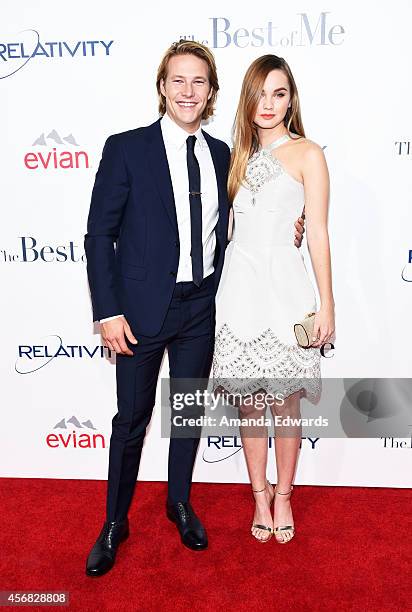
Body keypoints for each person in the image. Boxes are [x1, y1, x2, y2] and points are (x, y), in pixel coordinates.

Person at [84, 41, 305, 576]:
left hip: (203, 307)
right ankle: (115, 523)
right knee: (131, 420)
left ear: (211, 92)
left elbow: (248, 221)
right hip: (137, 313)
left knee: (186, 414)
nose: (188, 91)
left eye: (199, 82)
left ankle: (179, 503)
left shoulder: (227, 156)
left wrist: (289, 228)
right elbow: (98, 236)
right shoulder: (127, 148)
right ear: (162, 86)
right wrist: (108, 310)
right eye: (178, 80)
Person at [212, 54, 335, 543]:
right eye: (259, 93)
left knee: (285, 405)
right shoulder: (231, 156)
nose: (268, 104)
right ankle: (258, 494)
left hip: (286, 288)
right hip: (239, 290)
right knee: (249, 404)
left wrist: (327, 305)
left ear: (291, 98)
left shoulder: (308, 153)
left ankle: (284, 494)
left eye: (278, 93)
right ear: (247, 98)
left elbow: (319, 232)